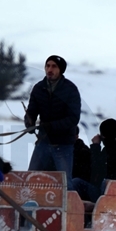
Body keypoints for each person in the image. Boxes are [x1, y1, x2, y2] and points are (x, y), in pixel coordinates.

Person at [24, 55, 82, 189]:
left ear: (61, 70)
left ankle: (69, 209)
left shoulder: (70, 89)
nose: (50, 69)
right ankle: (28, 208)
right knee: (30, 178)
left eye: (54, 66)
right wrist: (29, 123)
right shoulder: (38, 88)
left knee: (65, 183)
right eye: (47, 66)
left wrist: (52, 126)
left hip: (63, 144)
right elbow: (31, 111)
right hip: (43, 141)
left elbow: (73, 118)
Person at [72, 118, 116, 202]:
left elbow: (96, 168)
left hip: (108, 191)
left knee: (76, 183)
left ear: (104, 135)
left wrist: (95, 146)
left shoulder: (112, 150)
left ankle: (75, 207)